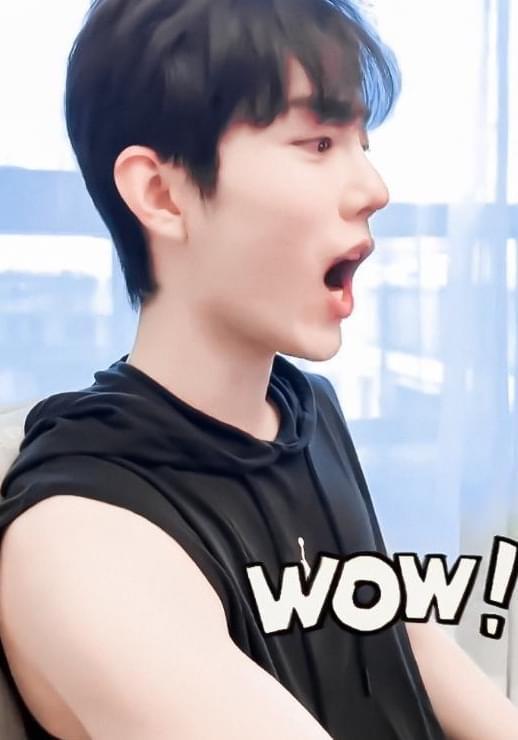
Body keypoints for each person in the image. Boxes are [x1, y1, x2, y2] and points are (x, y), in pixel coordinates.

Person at [0, 0, 517, 738]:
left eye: (362, 142)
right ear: (161, 193)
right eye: (318, 142)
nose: (375, 188)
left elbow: (390, 630)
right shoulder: (85, 538)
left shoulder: (306, 410)